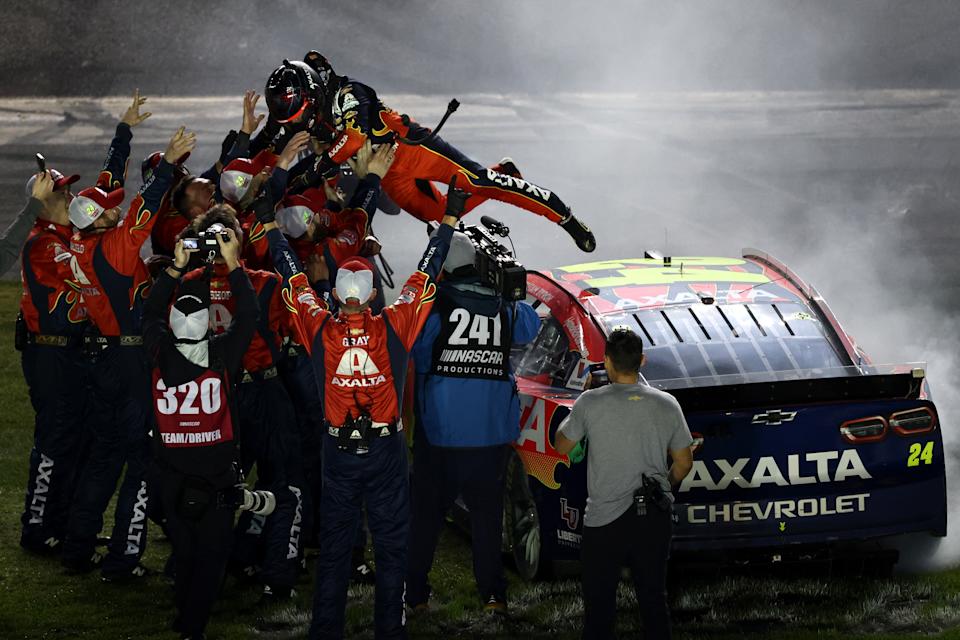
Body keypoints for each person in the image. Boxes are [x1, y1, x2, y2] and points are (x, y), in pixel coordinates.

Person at [258, 142, 460, 640]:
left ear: (336, 293)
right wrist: (449, 221)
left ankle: (326, 630)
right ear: (371, 293)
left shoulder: (317, 325)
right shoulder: (395, 322)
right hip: (387, 450)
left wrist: (267, 224)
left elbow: (289, 273)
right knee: (392, 550)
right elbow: (426, 272)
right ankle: (389, 630)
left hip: (337, 452)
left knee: (333, 550)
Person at [263, 54, 597, 253]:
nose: (301, 123)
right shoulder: (316, 110)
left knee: (481, 181)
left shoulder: (349, 93)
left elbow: (353, 139)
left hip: (414, 149)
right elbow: (288, 145)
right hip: (389, 172)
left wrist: (315, 168)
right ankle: (505, 171)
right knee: (439, 219)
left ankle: (563, 215)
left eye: (301, 114)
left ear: (313, 94)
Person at [60, 119, 196, 579]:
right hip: (131, 360)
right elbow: (146, 206)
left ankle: (77, 547)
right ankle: (124, 558)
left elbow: (109, 182)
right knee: (141, 459)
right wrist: (171, 162)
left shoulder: (77, 241)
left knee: (104, 456)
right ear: (98, 221)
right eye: (106, 211)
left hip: (101, 358)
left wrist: (122, 133)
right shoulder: (116, 248)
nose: (113, 210)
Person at [406, 230, 539, 614]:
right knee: (486, 519)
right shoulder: (503, 306)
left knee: (426, 519)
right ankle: (493, 597)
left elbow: (413, 348)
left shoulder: (434, 306)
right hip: (490, 434)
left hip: (441, 434)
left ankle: (414, 597)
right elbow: (530, 325)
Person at [181, 203, 307, 601]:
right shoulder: (266, 284)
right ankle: (277, 573)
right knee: (285, 484)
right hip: (263, 394)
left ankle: (207, 566)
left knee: (215, 487)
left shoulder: (188, 285)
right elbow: (296, 331)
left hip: (213, 399)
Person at [142, 230, 259, 640]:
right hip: (217, 477)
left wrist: (175, 268)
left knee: (185, 550)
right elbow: (249, 315)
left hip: (170, 473)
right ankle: (192, 626)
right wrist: (233, 264)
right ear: (207, 324)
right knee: (212, 557)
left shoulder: (156, 351)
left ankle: (182, 614)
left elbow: (151, 313)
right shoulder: (223, 355)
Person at [554, 328, 694, 640]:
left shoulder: (590, 403)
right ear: (642, 360)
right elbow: (684, 463)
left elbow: (562, 445)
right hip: (653, 519)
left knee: (599, 607)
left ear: (606, 362)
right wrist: (664, 487)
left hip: (604, 521)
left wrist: (578, 401)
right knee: (654, 601)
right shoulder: (667, 404)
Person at [16, 166, 86, 555]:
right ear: (42, 204)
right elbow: (82, 275)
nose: (70, 198)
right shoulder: (43, 244)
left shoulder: (61, 237)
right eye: (61, 194)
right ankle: (38, 526)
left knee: (76, 439)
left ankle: (64, 524)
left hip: (67, 351)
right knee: (54, 440)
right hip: (50, 354)